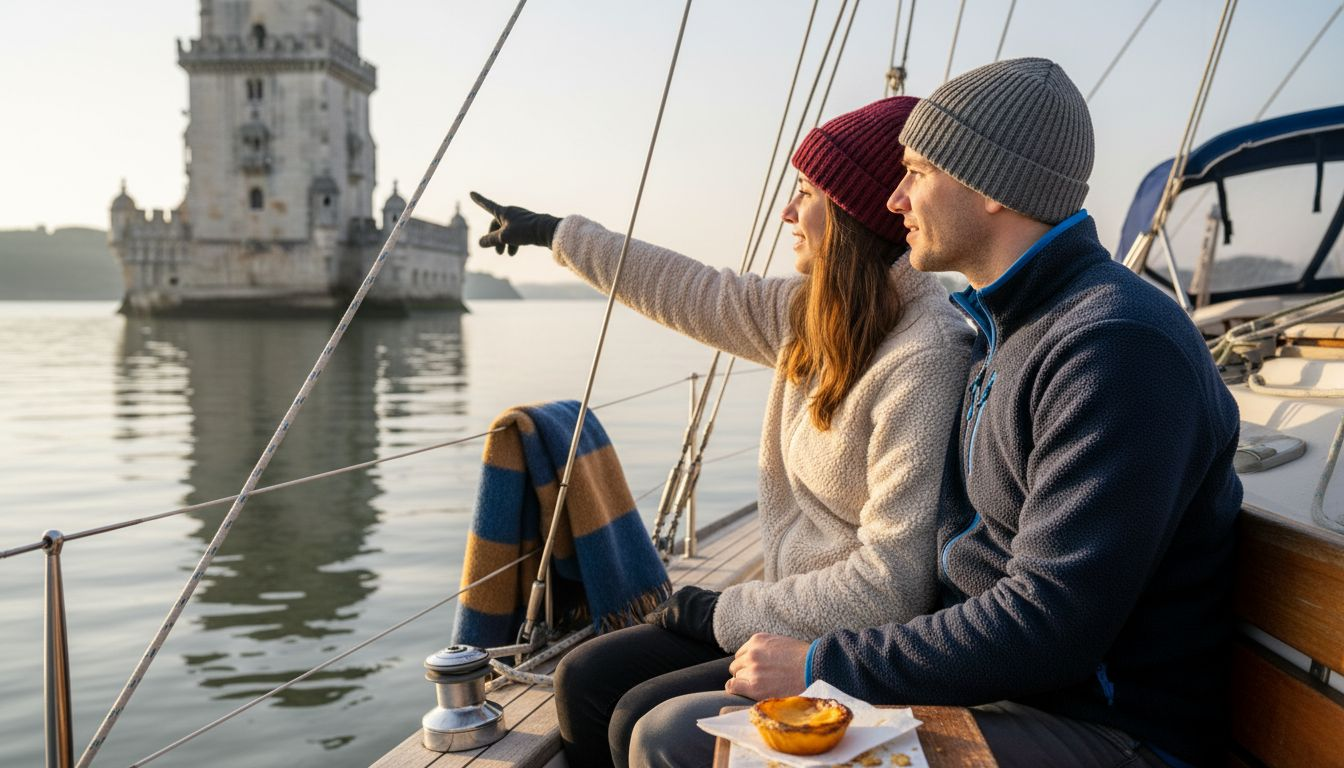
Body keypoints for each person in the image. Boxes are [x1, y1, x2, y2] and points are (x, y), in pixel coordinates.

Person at [700, 57, 1241, 768]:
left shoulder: (1111, 348)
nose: (894, 200)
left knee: (674, 736)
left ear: (991, 187)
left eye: (917, 172)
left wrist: (823, 664)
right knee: (658, 717)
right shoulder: (1012, 327)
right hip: (1008, 694)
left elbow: (1048, 623)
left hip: (1108, 733)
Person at [471, 96, 974, 768]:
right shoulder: (810, 314)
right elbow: (688, 289)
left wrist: (717, 613)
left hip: (846, 641)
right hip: (779, 609)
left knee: (630, 717)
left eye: (805, 193)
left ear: (854, 212)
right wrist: (554, 232)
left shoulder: (927, 353)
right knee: (582, 677)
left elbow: (892, 588)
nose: (787, 213)